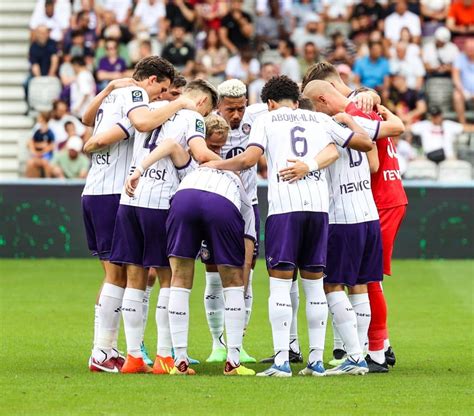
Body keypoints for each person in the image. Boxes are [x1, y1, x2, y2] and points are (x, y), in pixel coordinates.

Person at [204, 75, 371, 377]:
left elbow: (249, 159)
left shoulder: (267, 121)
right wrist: (312, 164)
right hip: (319, 209)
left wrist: (215, 164)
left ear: (269, 103)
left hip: (285, 210)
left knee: (280, 285)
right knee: (315, 285)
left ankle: (282, 360)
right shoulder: (318, 119)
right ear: (296, 100)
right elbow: (361, 143)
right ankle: (316, 361)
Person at [81, 57, 186, 373]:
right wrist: (181, 103)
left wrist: (110, 85)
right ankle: (102, 351)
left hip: (96, 190)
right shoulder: (137, 96)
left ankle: (114, 349)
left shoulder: (117, 93)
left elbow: (87, 118)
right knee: (118, 275)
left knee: (126, 274)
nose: (160, 98)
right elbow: (136, 125)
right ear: (151, 80)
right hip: (113, 192)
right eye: (162, 90)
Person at [107, 80, 220, 374]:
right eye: (208, 110)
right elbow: (197, 151)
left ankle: (132, 357)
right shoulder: (193, 116)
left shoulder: (151, 108)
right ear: (203, 104)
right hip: (159, 202)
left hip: (129, 200)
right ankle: (164, 357)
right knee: (170, 278)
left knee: (135, 276)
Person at [302, 62, 408, 370]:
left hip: (370, 205)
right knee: (364, 279)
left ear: (326, 93)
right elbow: (379, 148)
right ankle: (370, 349)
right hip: (372, 206)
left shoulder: (347, 115)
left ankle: (369, 350)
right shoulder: (362, 109)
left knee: (347, 282)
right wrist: (377, 103)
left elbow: (390, 135)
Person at [203, 80, 257, 365]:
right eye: (230, 109)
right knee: (213, 276)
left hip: (248, 207)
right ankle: (217, 344)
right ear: (219, 107)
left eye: (241, 108)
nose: (236, 115)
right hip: (214, 205)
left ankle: (239, 342)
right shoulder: (205, 125)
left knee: (244, 277)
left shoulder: (258, 119)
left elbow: (294, 98)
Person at [25, 112, 55, 178]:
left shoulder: (50, 132)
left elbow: (51, 146)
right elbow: (32, 143)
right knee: (30, 163)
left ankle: (48, 183)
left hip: (46, 156)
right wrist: (38, 149)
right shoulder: (37, 131)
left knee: (45, 163)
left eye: (39, 117)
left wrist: (42, 151)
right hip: (37, 155)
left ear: (43, 119)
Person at [452, 38, 474, 126]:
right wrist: (463, 92)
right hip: (464, 92)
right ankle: (463, 124)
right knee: (456, 96)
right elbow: (455, 77)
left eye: (472, 48)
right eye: (468, 48)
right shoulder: (459, 58)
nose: (470, 50)